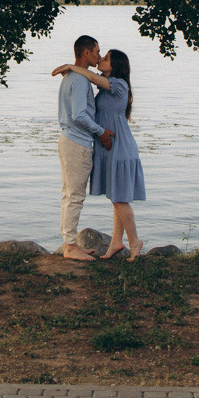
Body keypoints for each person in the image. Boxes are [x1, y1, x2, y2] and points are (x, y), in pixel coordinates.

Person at [53, 49, 145, 260]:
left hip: (119, 145)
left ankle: (134, 242)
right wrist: (75, 70)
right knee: (116, 197)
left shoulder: (119, 84)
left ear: (115, 65)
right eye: (100, 55)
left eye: (105, 58)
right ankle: (116, 242)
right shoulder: (104, 88)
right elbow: (91, 79)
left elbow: (92, 76)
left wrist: (72, 67)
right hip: (108, 146)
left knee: (120, 199)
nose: (101, 59)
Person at [53, 35, 115, 261]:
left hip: (68, 139)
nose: (99, 56)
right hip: (77, 142)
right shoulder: (79, 80)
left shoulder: (72, 76)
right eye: (97, 52)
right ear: (86, 53)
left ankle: (69, 243)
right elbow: (79, 115)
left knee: (69, 195)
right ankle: (71, 247)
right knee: (75, 196)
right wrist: (101, 131)